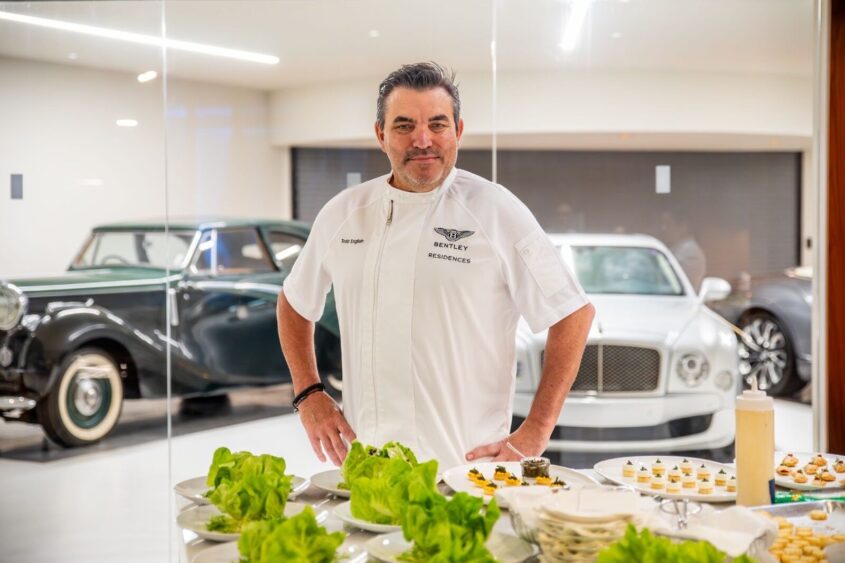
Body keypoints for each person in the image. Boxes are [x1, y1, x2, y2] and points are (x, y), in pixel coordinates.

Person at [277, 62, 594, 470]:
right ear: (381, 135)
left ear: (458, 131)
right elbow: (293, 302)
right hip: (369, 471)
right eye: (404, 125)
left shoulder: (495, 210)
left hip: (467, 473)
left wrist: (536, 429)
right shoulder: (345, 213)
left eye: (438, 125)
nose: (422, 140)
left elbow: (572, 312)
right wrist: (309, 394)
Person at [660, 208, 707, 292]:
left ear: (683, 226)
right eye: (663, 224)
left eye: (668, 224)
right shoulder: (676, 248)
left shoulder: (691, 253)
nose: (663, 228)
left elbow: (678, 286)